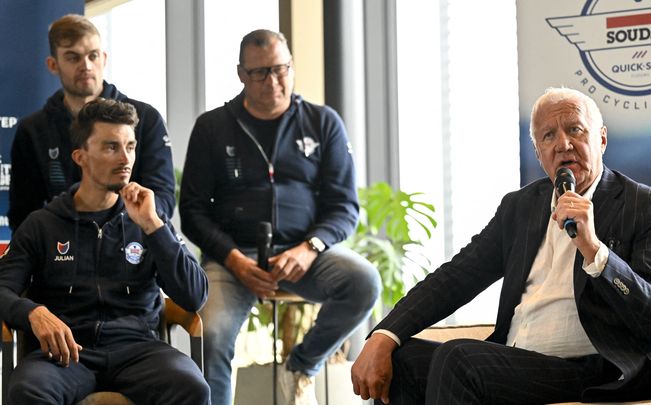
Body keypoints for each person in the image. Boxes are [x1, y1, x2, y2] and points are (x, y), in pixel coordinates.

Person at [351, 87, 651, 404]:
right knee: (401, 360)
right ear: (539, 154)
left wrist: (595, 251)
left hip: (596, 366)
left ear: (601, 139)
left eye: (575, 130)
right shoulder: (521, 207)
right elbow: (456, 277)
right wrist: (385, 334)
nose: (563, 144)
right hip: (520, 360)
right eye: (549, 136)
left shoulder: (645, 205)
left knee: (459, 359)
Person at [179, 28, 381, 405]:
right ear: (241, 74)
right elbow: (191, 212)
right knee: (214, 334)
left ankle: (301, 366)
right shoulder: (212, 127)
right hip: (232, 258)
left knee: (364, 281)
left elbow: (344, 207)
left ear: (291, 66)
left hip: (303, 254)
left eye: (281, 69)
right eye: (260, 73)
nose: (273, 81)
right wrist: (233, 259)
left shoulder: (323, 123)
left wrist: (310, 247)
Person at [0, 98, 210, 405]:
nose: (126, 159)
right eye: (111, 147)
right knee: (27, 391)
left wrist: (153, 225)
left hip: (138, 350)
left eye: (130, 146)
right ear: (80, 156)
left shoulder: (149, 219)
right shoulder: (42, 224)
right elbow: (2, 288)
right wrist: (33, 311)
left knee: (193, 387)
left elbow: (195, 295)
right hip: (66, 354)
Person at [8, 14, 174, 232]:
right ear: (53, 65)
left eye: (92, 56)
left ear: (104, 58)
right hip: (60, 251)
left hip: (132, 245)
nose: (86, 66)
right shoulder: (34, 129)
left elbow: (163, 200)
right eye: (73, 58)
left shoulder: (145, 118)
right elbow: (23, 214)